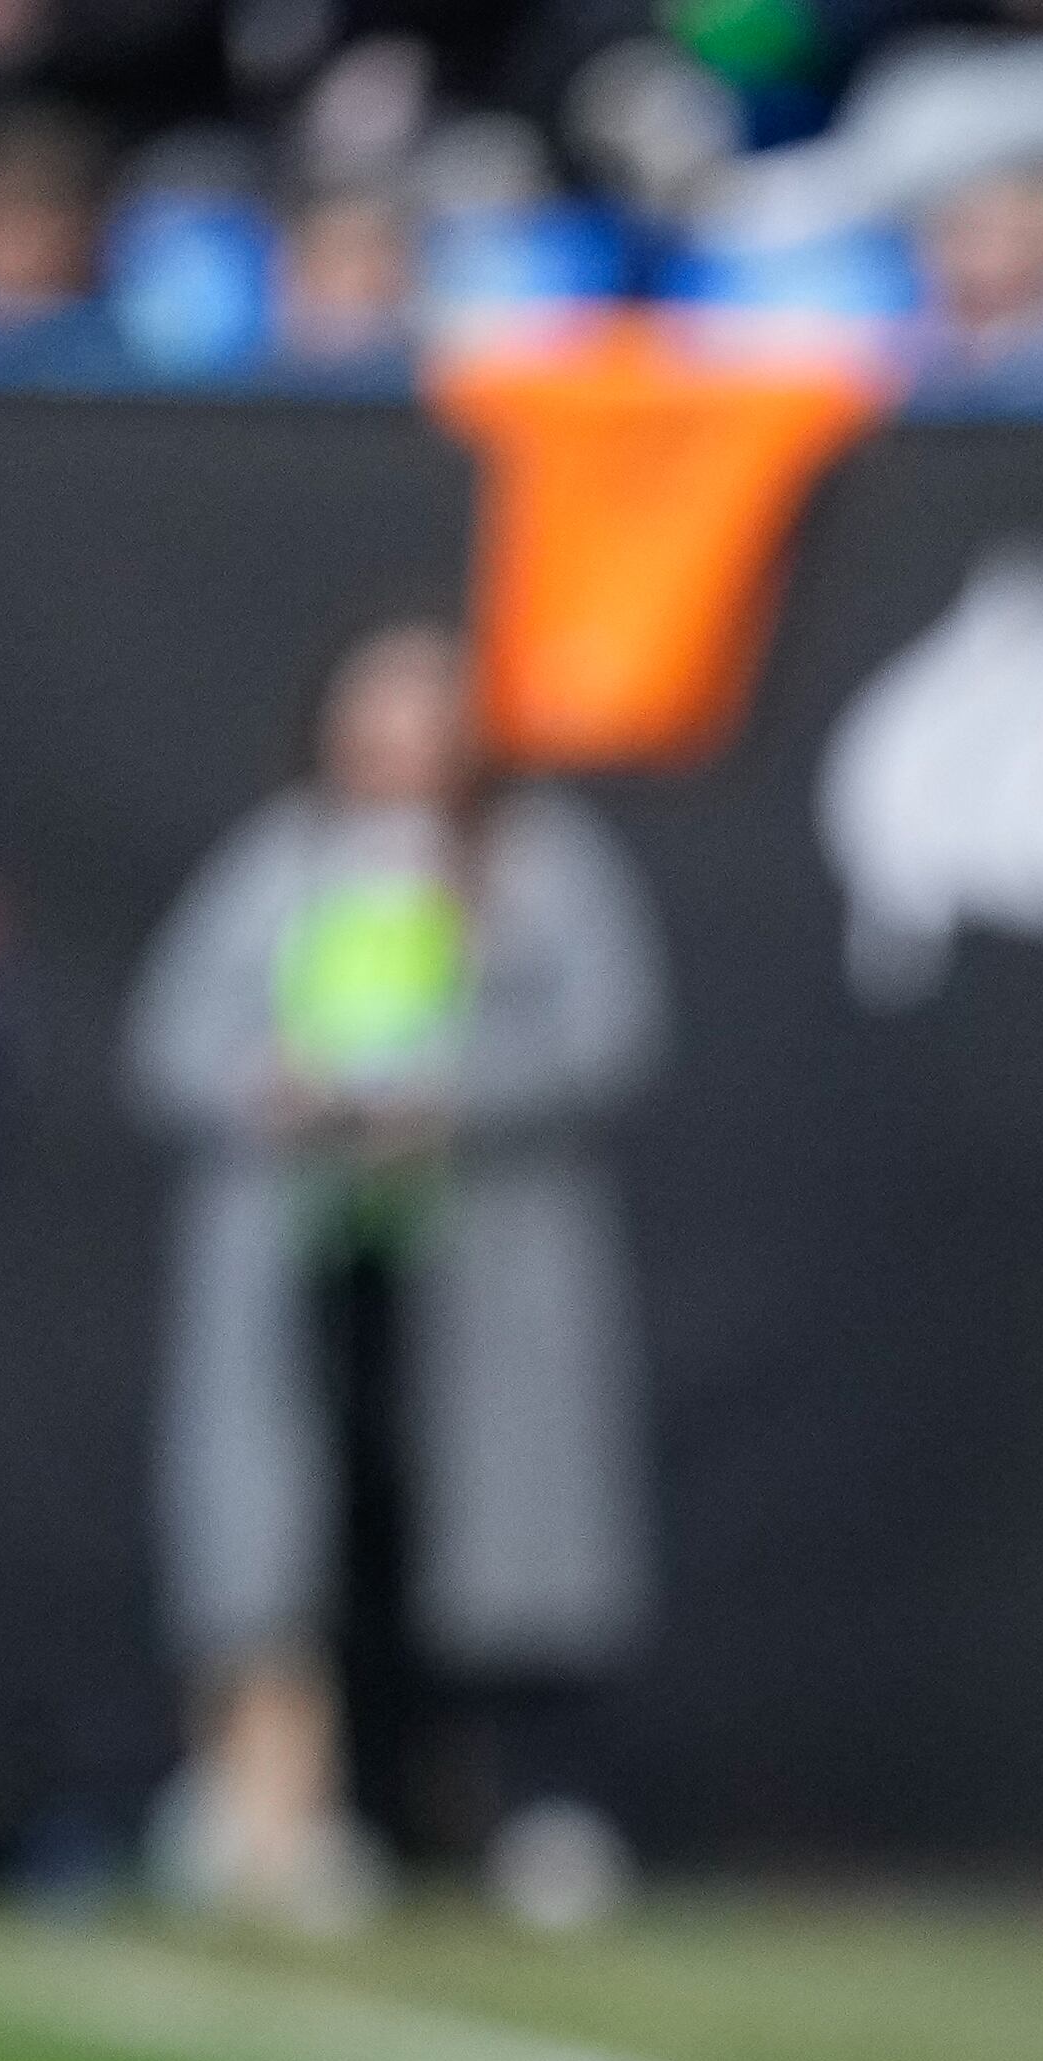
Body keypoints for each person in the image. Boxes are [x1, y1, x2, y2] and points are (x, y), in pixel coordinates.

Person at [127, 619, 666, 1934]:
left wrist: (457, 1098)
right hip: (313, 1256)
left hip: (482, 1261)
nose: (398, 744)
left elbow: (610, 1036)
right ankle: (337, 1811)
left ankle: (538, 1811)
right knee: (322, 1532)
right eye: (377, 712)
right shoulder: (278, 867)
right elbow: (174, 1040)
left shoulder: (543, 868)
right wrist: (278, 1091)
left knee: (511, 1541)